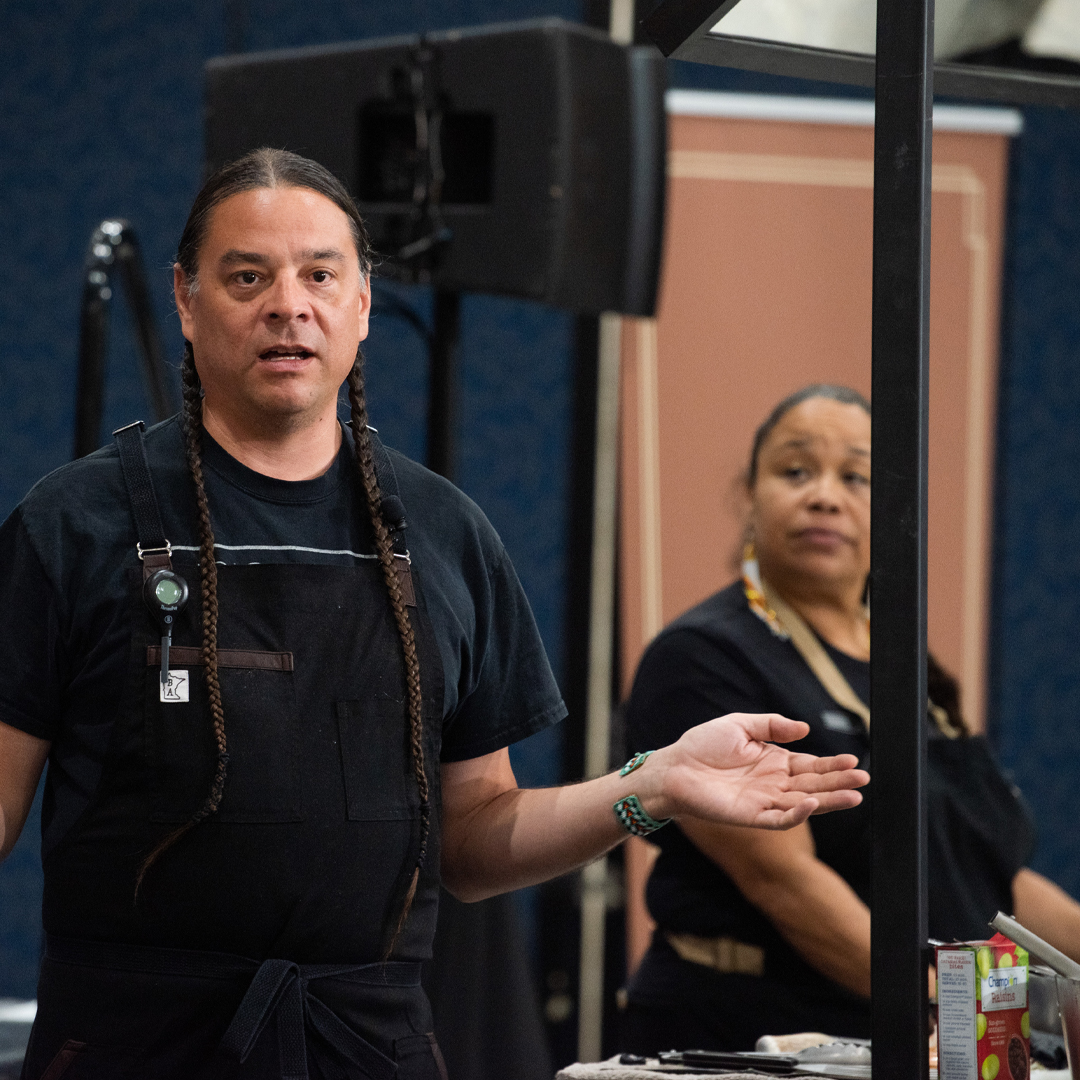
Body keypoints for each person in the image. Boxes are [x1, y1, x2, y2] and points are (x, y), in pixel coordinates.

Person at [0, 153, 869, 1080]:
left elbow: (475, 837)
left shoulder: (445, 535)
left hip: (366, 1048)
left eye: (320, 275)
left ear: (363, 304)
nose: (289, 304)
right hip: (131, 1052)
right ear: (184, 298)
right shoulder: (75, 525)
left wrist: (648, 788)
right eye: (247, 276)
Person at [621, 383, 1080, 1054]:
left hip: (919, 1030)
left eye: (857, 476)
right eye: (796, 470)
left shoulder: (903, 661)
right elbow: (783, 882)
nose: (825, 495)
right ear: (748, 495)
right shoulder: (704, 657)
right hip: (755, 1035)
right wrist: (946, 1006)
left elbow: (985, 870)